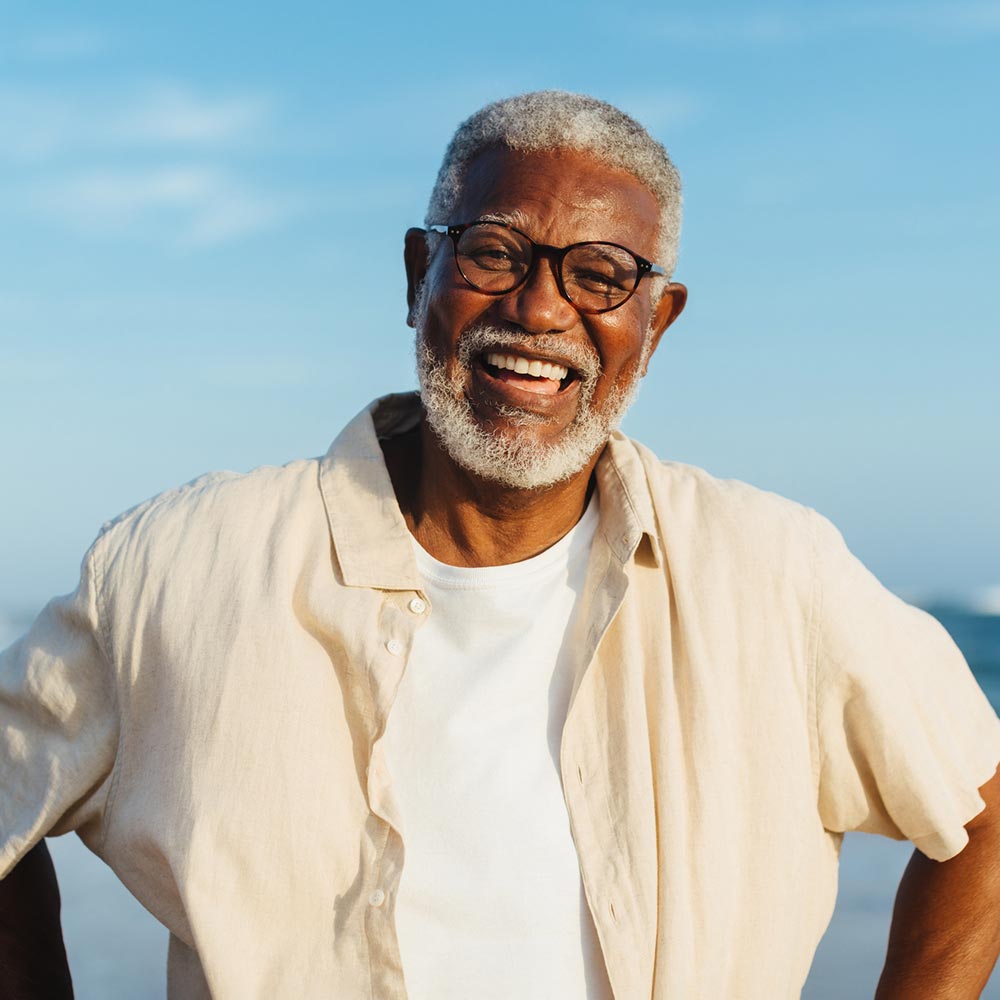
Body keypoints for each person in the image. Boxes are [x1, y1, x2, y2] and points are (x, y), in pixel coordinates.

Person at [2, 90, 999, 999]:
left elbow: (983, 810)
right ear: (418, 275)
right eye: (492, 253)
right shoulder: (180, 568)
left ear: (655, 324)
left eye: (601, 275)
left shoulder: (774, 575)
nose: (539, 309)